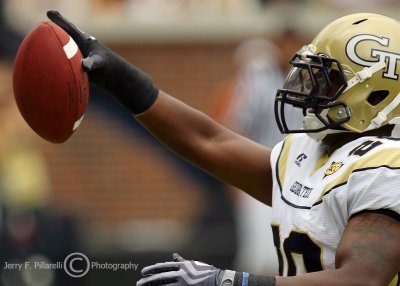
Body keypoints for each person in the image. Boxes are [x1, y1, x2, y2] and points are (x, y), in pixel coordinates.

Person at [42, 11, 400, 285]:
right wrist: (121, 80)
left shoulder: (386, 165)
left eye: (328, 79)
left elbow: (363, 278)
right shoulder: (312, 152)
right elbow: (209, 139)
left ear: (377, 92)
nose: (310, 91)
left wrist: (231, 280)